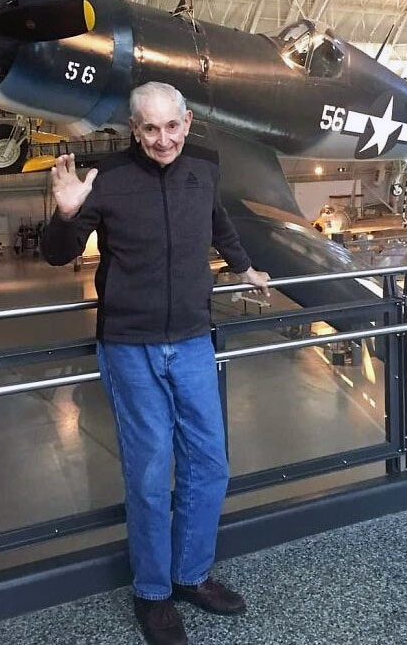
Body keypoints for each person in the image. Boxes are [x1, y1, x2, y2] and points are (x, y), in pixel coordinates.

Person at [41, 81, 270, 645]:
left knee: (210, 463)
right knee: (148, 473)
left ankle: (192, 575)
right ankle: (152, 592)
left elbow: (218, 223)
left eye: (172, 126)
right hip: (130, 343)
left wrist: (244, 269)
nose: (163, 139)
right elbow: (56, 253)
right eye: (150, 128)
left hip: (193, 337)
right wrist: (66, 214)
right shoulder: (107, 179)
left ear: (187, 123)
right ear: (133, 128)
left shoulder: (205, 168)